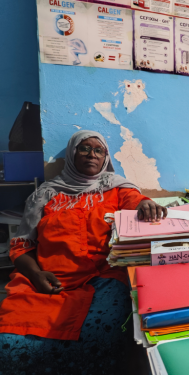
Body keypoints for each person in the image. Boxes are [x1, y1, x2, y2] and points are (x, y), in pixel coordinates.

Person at [0, 130, 167, 374]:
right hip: (49, 278)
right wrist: (36, 274)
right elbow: (22, 244)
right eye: (84, 148)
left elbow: (136, 201)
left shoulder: (117, 188)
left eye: (99, 150)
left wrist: (145, 204)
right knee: (11, 340)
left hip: (104, 277)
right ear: (72, 154)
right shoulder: (45, 194)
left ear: (105, 158)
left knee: (103, 332)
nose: (92, 155)